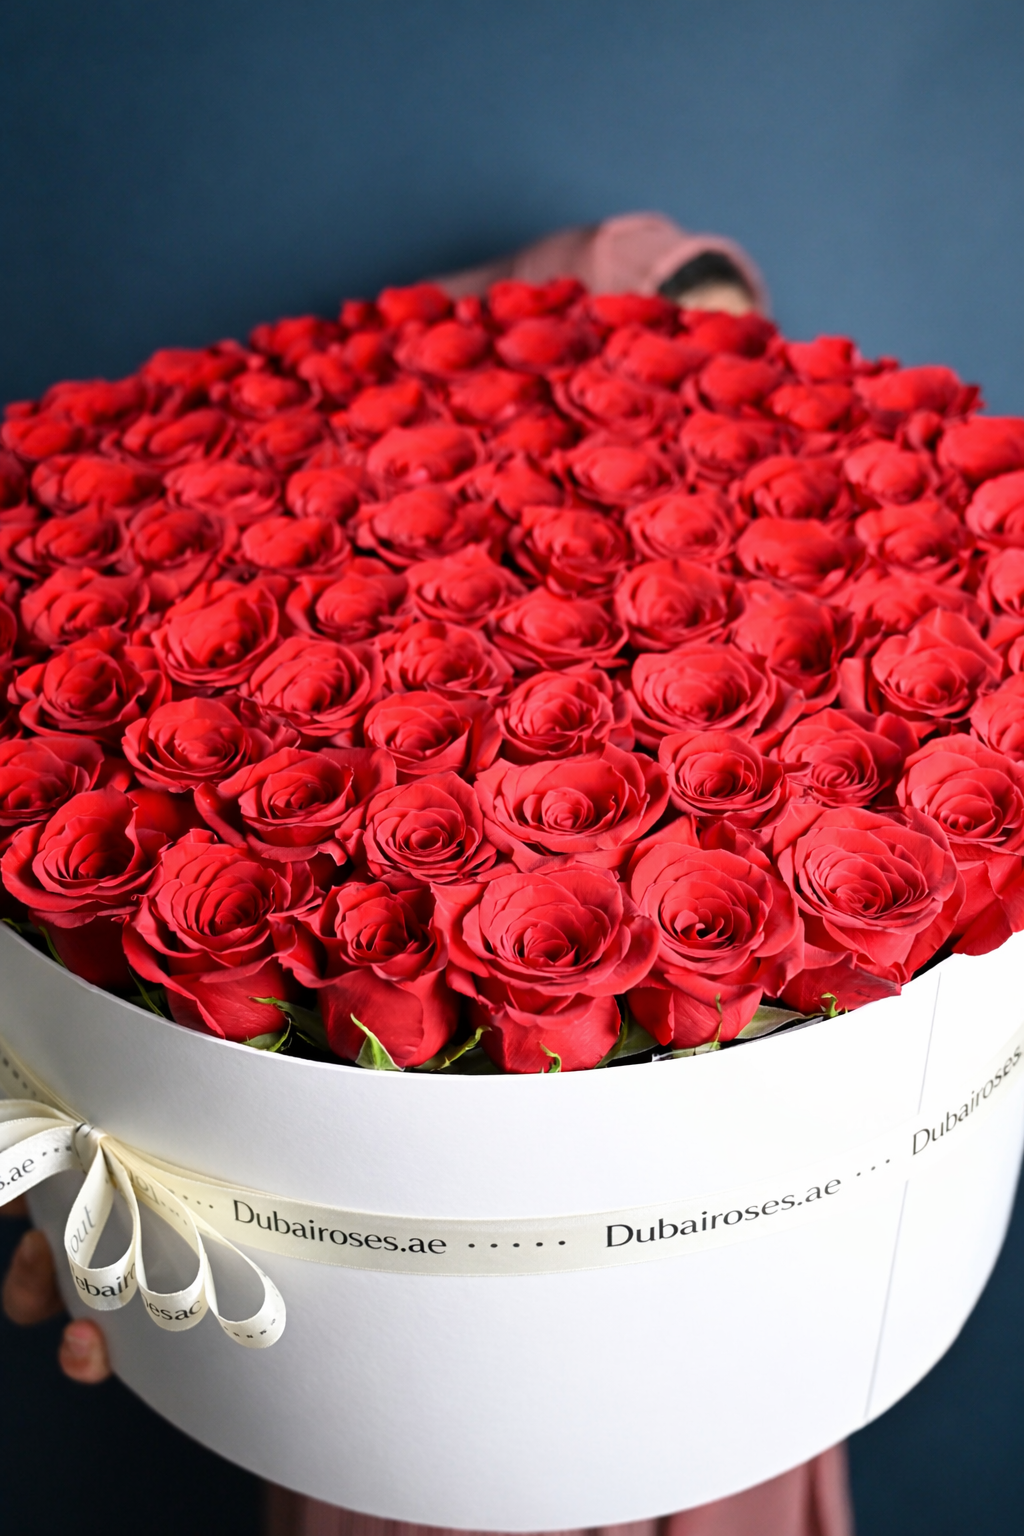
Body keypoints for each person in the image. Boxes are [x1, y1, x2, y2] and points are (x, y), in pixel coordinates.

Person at [0, 212, 855, 1536]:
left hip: (738, 1348)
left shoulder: (640, 336)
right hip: (354, 1378)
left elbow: (669, 287)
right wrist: (108, 1163)